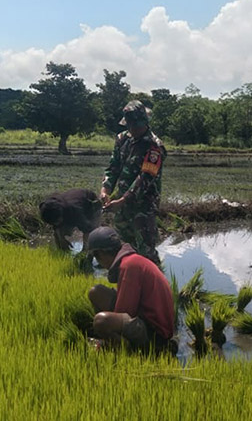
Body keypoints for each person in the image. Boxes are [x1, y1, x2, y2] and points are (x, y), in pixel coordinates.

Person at [86, 226, 175, 352]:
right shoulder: (131, 261)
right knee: (96, 292)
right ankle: (114, 340)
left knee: (101, 321)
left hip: (155, 332)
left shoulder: (129, 266)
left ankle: (124, 349)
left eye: (96, 257)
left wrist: (107, 330)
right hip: (145, 316)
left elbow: (125, 311)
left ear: (100, 254)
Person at [101, 100, 166, 264]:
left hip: (144, 206)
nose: (132, 129)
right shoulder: (122, 139)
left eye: (136, 126)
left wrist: (123, 201)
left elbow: (145, 178)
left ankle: (156, 287)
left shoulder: (154, 146)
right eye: (129, 126)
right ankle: (128, 285)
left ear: (145, 123)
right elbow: (113, 167)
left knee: (146, 251)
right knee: (124, 249)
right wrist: (105, 190)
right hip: (121, 205)